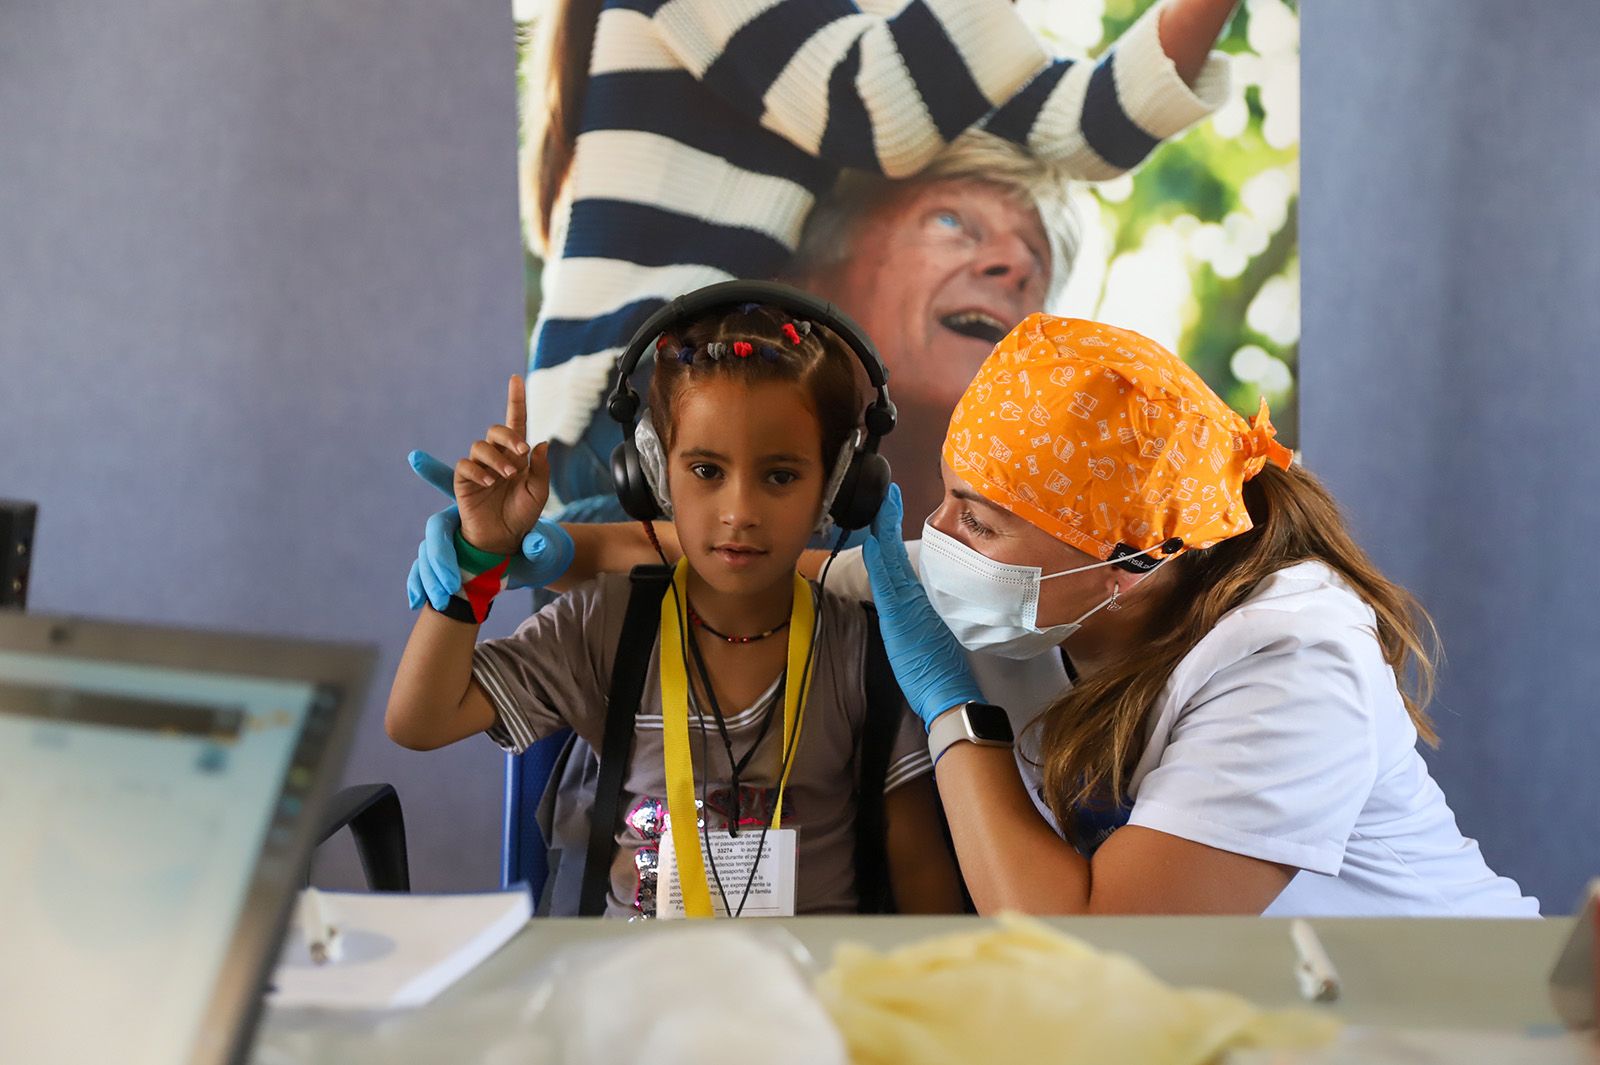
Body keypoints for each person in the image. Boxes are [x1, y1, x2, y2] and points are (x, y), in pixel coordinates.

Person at [477, 314, 1540, 917]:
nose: (937, 538)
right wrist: (532, 546)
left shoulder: (1292, 659)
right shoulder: (1020, 599)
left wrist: (952, 710)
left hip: (1438, 1022)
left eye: (977, 522)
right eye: (947, 498)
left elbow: (1079, 938)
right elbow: (739, 554)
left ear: (1131, 556)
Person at [521, 0, 1238, 521]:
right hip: (634, 405)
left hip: (716, 397)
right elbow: (870, 103)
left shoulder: (845, 21)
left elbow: (1091, 125)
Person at [388, 299, 963, 918]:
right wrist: (475, 568)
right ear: (655, 476)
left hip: (805, 990)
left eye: (779, 477)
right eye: (707, 470)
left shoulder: (864, 652)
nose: (739, 511)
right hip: (637, 990)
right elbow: (420, 722)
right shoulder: (605, 627)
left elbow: (920, 874)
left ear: (838, 485)